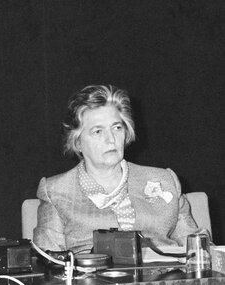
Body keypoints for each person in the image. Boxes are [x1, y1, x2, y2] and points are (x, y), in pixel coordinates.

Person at [34, 84, 203, 262]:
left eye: (117, 128)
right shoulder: (56, 191)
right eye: (98, 131)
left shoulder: (164, 180)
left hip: (166, 284)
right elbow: (46, 261)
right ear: (76, 142)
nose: (111, 140)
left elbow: (199, 251)